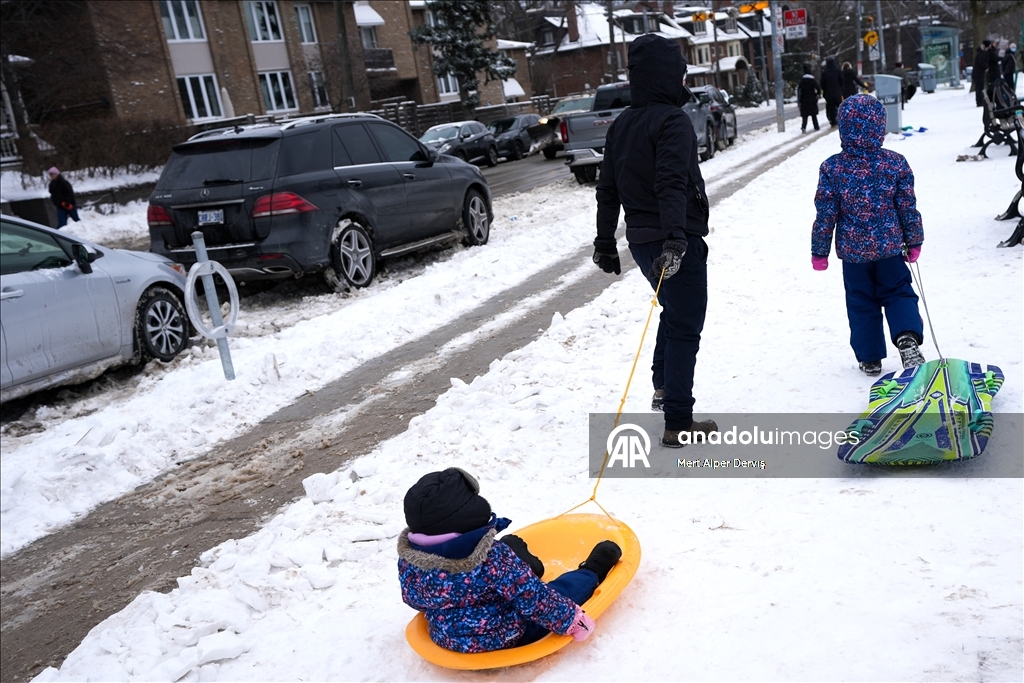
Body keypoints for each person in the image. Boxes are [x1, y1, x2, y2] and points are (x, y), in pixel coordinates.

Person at [591, 33, 717, 447]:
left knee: (672, 310)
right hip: (673, 240)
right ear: (666, 77)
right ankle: (679, 422)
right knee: (685, 324)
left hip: (644, 241)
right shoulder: (672, 121)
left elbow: (607, 189)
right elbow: (670, 183)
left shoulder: (622, 124)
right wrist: (677, 239)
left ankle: (663, 387)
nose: (683, 81)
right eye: (680, 74)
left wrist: (606, 241)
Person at [397, 467, 623, 653]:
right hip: (508, 634)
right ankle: (593, 568)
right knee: (559, 592)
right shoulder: (493, 558)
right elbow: (535, 600)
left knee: (508, 563)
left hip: (446, 638)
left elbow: (413, 599)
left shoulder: (411, 559)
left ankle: (523, 561)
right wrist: (572, 621)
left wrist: (447, 600)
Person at [811, 95, 926, 376]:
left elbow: (826, 213)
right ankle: (906, 336)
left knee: (861, 301)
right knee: (899, 292)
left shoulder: (832, 168)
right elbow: (907, 206)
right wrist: (914, 240)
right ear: (880, 126)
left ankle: (870, 357)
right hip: (890, 248)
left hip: (853, 254)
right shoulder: (895, 163)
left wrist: (819, 251)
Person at [797, 64, 821, 132]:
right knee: (813, 115)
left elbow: (799, 91)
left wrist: (799, 101)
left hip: (804, 100)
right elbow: (818, 88)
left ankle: (803, 127)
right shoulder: (812, 80)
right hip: (812, 99)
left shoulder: (802, 81)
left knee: (805, 116)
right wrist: (817, 95)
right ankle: (816, 127)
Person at [820, 57, 843, 127]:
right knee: (840, 107)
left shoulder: (825, 73)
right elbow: (842, 80)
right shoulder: (838, 71)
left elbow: (822, 83)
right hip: (837, 93)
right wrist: (841, 89)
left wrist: (824, 91)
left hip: (828, 94)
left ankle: (832, 120)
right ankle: (841, 119)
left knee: (830, 107)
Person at [972, 42, 989, 106]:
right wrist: (986, 67)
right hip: (979, 73)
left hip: (977, 73)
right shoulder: (981, 54)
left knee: (979, 87)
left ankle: (979, 100)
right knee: (979, 87)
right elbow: (981, 61)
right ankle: (979, 101)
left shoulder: (979, 53)